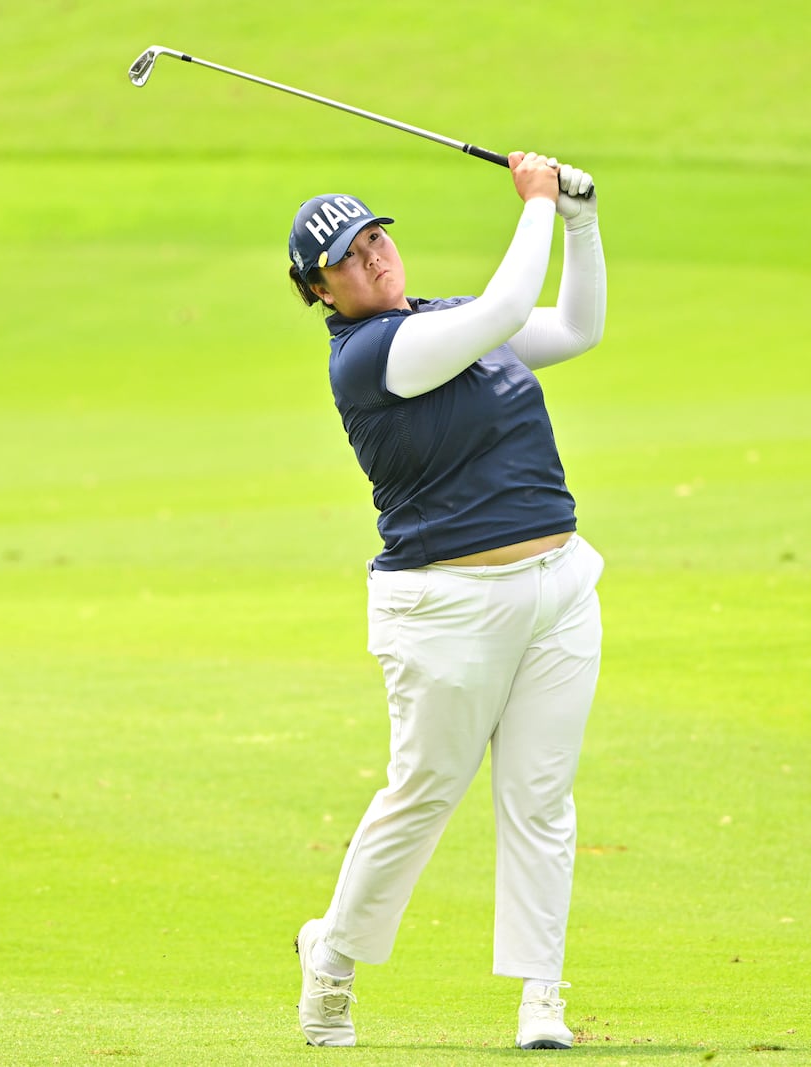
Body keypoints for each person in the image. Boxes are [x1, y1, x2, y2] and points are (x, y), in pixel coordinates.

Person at [286, 151, 607, 1050]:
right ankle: (334, 957)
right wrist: (537, 200)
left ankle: (541, 995)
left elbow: (576, 327)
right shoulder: (372, 358)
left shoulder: (439, 319)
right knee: (424, 791)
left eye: (375, 237)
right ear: (321, 291)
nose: (373, 257)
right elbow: (506, 309)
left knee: (541, 797)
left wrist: (580, 220)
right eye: (347, 258)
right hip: (446, 605)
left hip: (558, 589)